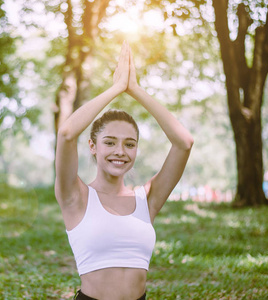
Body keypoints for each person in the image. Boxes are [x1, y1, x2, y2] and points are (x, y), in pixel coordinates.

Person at [54, 41, 194, 300]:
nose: (120, 151)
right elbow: (66, 133)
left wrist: (136, 90)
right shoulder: (75, 196)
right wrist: (116, 88)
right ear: (93, 146)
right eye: (109, 142)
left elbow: (184, 142)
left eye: (129, 144)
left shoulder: (147, 198)